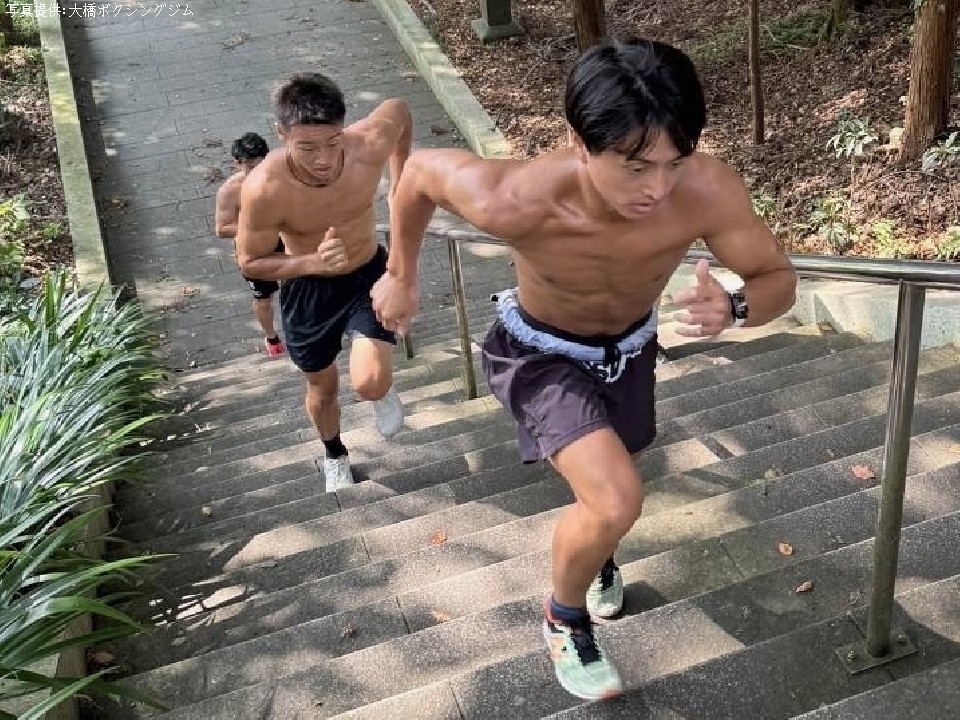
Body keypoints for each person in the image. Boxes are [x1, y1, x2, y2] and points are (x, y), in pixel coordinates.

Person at [371, 38, 797, 700]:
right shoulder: (515, 198)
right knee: (617, 497)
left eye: (675, 162)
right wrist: (400, 273)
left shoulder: (707, 191)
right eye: (636, 166)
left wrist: (737, 307)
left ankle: (596, 552)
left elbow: (778, 279)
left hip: (630, 351)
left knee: (614, 483)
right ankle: (563, 618)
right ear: (579, 142)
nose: (658, 188)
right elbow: (420, 172)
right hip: (537, 352)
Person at [236, 73, 412, 492]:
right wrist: (311, 260)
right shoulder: (264, 189)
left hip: (366, 273)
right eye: (307, 147)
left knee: (370, 382)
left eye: (333, 142)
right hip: (307, 288)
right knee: (322, 386)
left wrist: (399, 183)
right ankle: (335, 454)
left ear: (344, 127)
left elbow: (400, 111)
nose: (324, 159)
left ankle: (381, 390)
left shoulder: (367, 145)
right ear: (281, 134)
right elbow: (250, 262)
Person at [215, 132, 287, 358]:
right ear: (237, 163)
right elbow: (222, 228)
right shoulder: (230, 191)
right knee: (264, 299)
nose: (256, 172)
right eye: (249, 167)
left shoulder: (281, 177)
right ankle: (271, 336)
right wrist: (257, 226)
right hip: (254, 250)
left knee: (302, 284)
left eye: (260, 165)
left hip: (285, 241)